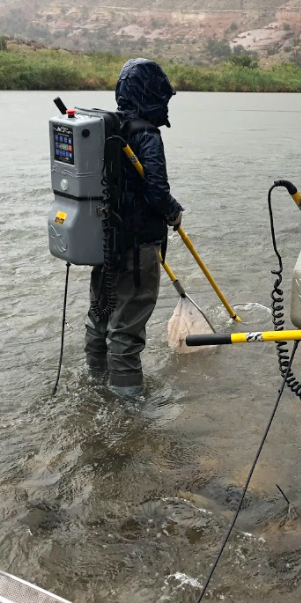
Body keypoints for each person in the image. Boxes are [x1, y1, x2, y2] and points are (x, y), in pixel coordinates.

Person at [85, 58, 182, 398]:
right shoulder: (147, 135)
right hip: (137, 247)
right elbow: (156, 190)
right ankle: (128, 407)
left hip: (103, 242)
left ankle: (94, 385)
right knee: (126, 329)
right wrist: (174, 213)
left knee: (100, 315)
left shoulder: (105, 127)